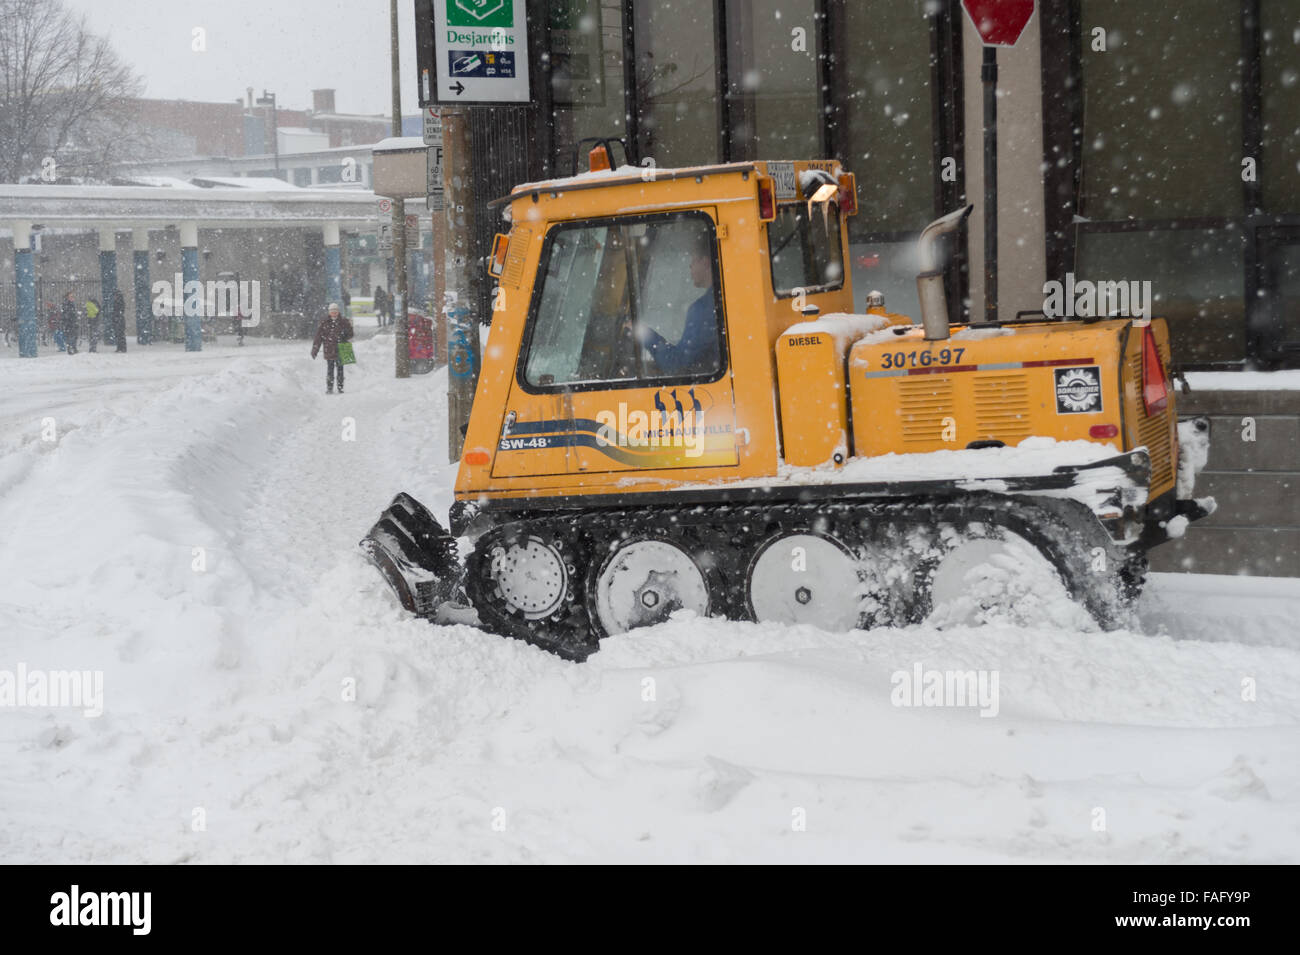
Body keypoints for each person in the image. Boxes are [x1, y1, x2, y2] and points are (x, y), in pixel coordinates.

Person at [638, 238, 719, 375]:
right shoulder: (723, 298)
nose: (690, 266)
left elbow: (677, 364)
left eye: (693, 260)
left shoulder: (704, 308)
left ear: (705, 262)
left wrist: (644, 334)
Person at [311, 302, 354, 394]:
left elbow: (351, 334)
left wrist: (345, 334)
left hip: (341, 348)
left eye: (335, 311)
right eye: (332, 311)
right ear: (329, 312)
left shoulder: (344, 321)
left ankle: (340, 387)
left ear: (338, 311)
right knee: (330, 369)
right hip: (329, 348)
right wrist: (315, 349)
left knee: (340, 369)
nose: (334, 313)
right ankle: (329, 388)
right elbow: (318, 337)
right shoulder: (324, 322)